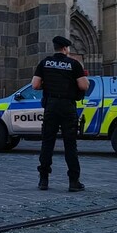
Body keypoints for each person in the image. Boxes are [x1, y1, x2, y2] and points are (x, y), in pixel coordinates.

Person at [33, 36, 89, 192]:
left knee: (47, 143)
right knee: (70, 145)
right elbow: (83, 86)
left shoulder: (45, 63)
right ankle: (73, 181)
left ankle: (43, 180)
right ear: (66, 49)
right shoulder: (74, 64)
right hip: (67, 106)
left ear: (55, 47)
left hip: (51, 106)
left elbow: (35, 85)